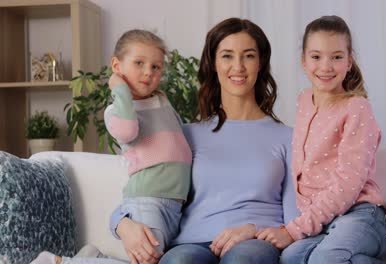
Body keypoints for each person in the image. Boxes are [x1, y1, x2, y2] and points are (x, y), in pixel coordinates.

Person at [115, 17, 298, 264]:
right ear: (213, 64)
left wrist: (254, 230)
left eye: (248, 56)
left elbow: (296, 219)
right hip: (192, 243)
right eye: (227, 56)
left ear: (261, 63)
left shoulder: (288, 137)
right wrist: (121, 224)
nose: (238, 66)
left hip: (256, 242)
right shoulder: (185, 135)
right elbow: (149, 190)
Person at [31, 29, 192, 264]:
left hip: (174, 206)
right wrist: (120, 90)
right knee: (150, 259)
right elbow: (128, 131)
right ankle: (57, 262)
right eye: (139, 63)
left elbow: (182, 136)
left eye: (156, 67)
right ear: (117, 65)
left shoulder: (161, 99)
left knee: (152, 259)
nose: (148, 72)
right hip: (147, 200)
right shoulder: (118, 111)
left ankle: (94, 257)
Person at [255, 15, 386, 263]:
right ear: (304, 62)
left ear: (349, 62)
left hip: (361, 215)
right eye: (316, 57)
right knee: (291, 258)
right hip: (324, 222)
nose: (326, 66)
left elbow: (347, 184)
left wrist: (294, 230)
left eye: (337, 57)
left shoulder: (357, 108)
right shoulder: (304, 101)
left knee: (325, 259)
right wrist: (299, 224)